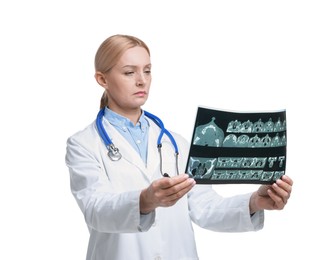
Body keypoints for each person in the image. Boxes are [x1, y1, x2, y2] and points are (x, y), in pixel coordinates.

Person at [65, 34, 293, 260]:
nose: (142, 80)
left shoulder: (174, 143)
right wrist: (145, 201)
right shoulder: (83, 144)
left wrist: (254, 201)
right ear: (102, 80)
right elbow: (95, 210)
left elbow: (204, 207)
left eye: (147, 70)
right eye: (129, 72)